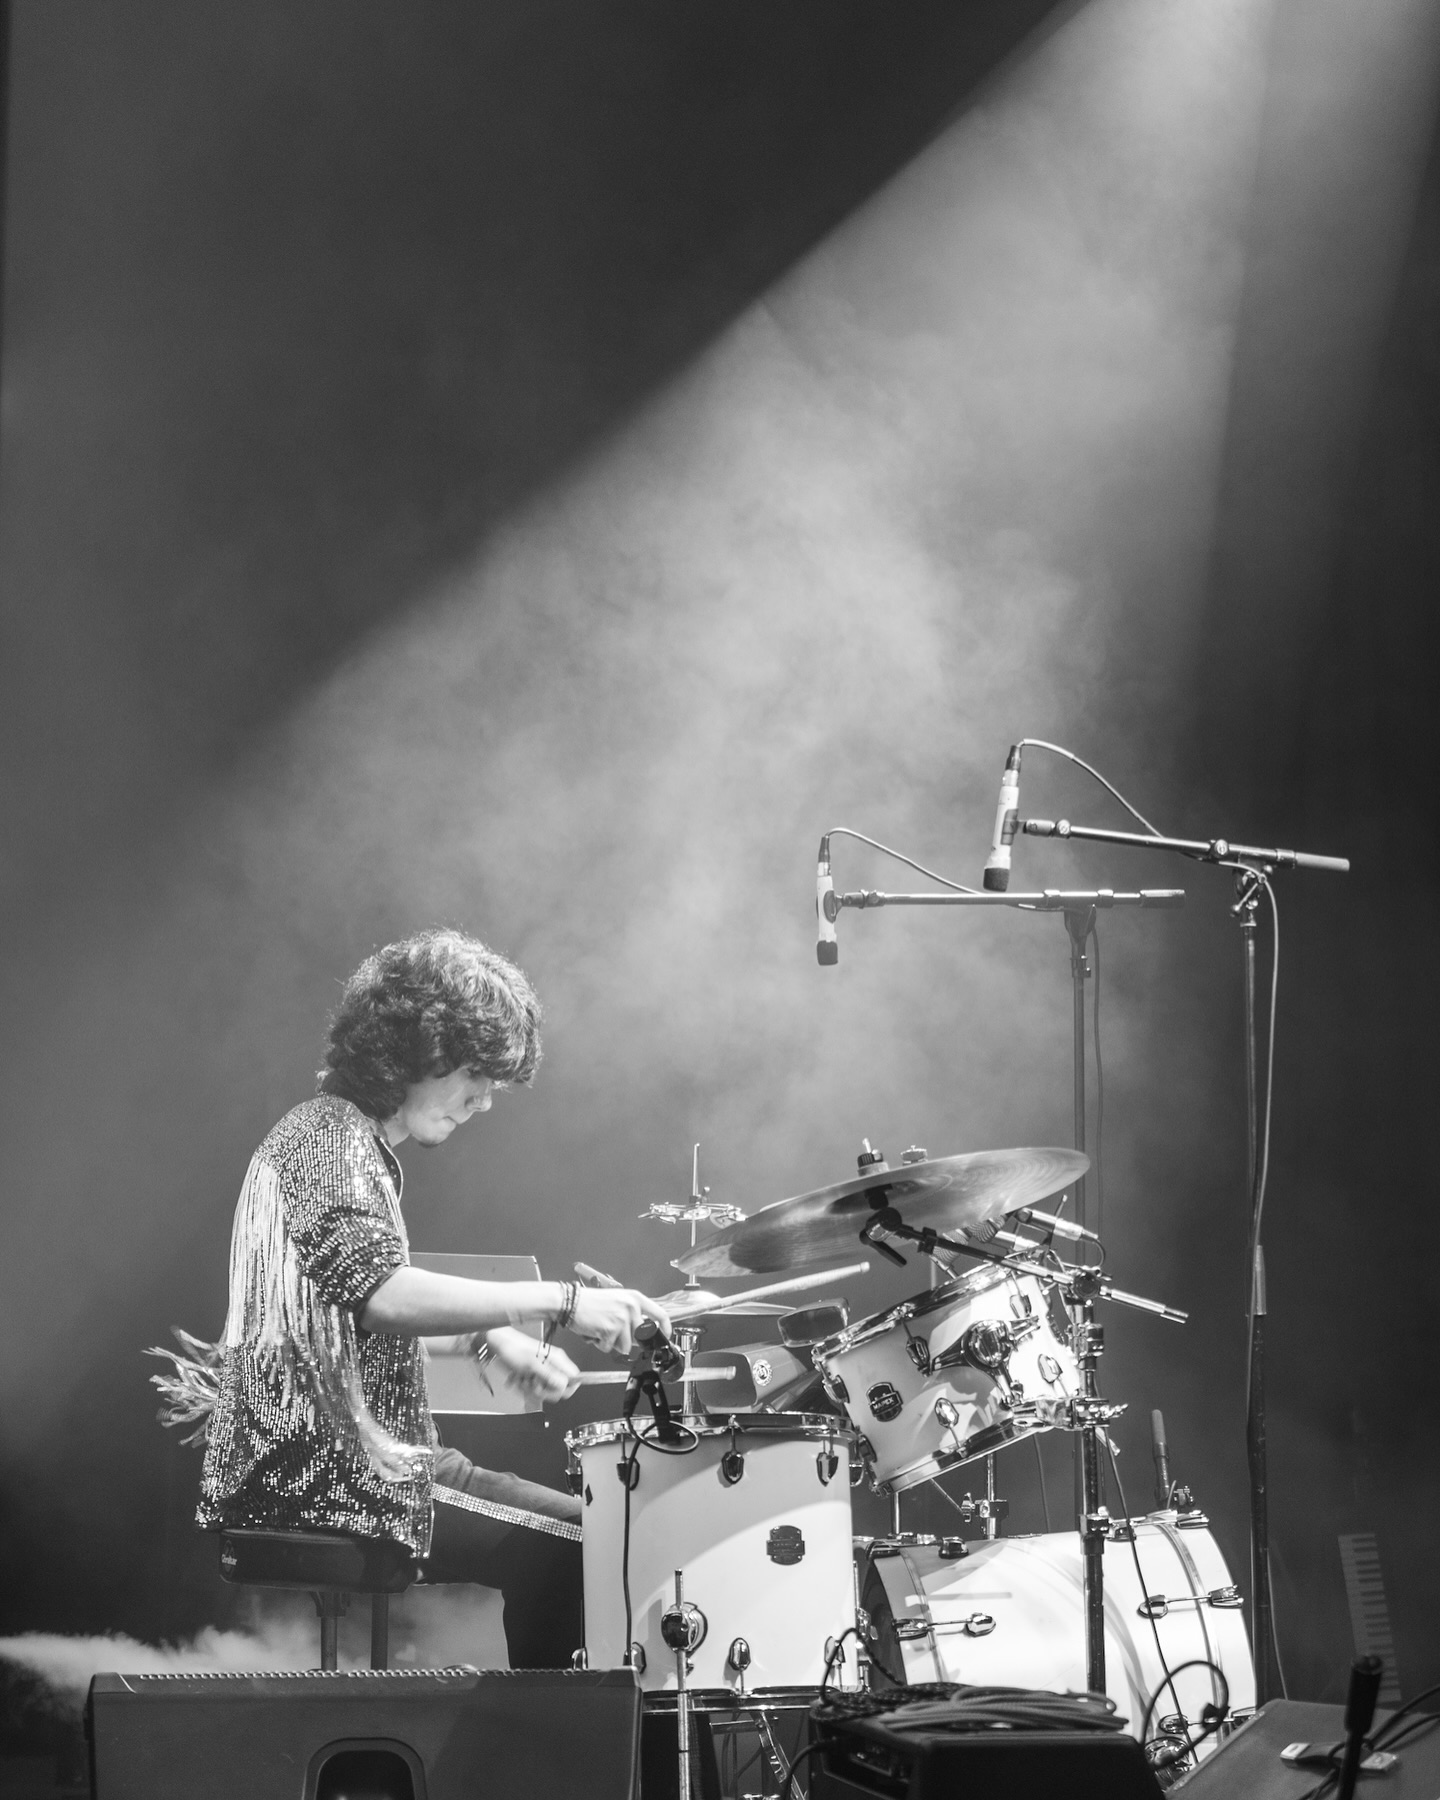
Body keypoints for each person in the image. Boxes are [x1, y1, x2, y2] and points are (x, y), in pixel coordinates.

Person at [154, 927, 669, 1668]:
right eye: (477, 1074)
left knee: (592, 1532)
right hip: (334, 1477)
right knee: (594, 1547)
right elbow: (379, 1294)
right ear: (423, 1048)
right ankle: (533, 1764)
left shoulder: (336, 1139)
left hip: (350, 1464)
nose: (484, 1102)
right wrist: (557, 1302)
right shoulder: (326, 1143)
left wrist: (487, 1339)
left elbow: (335, 1314)